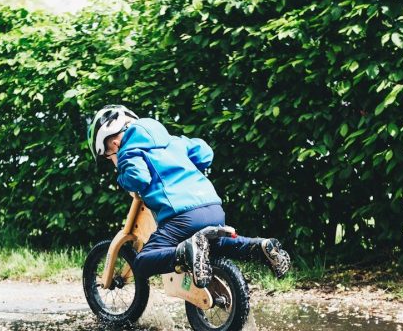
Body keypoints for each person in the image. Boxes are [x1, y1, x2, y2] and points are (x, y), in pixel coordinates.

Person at [87, 104, 291, 288]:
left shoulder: (129, 151)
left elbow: (138, 178)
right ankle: (259, 247)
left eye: (107, 156)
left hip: (180, 216)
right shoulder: (173, 141)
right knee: (216, 245)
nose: (111, 159)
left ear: (114, 143)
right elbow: (205, 153)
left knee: (142, 262)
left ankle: (185, 252)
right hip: (213, 208)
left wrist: (123, 178)